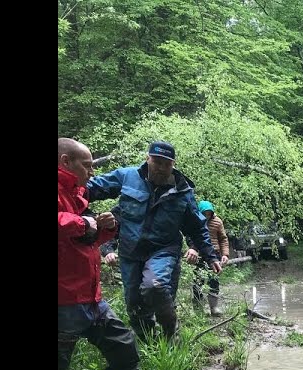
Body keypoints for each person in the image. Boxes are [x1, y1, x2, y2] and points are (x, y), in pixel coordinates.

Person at [58, 138, 184, 370]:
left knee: (123, 345)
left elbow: (82, 241)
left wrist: (104, 230)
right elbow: (70, 225)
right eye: (87, 165)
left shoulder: (77, 194)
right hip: (63, 300)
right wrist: (84, 223)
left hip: (89, 297)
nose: (92, 173)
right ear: (66, 162)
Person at [88, 140, 221, 340]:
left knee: (154, 286)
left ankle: (170, 332)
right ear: (147, 159)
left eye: (167, 164)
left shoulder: (182, 191)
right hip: (130, 251)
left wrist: (211, 256)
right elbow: (89, 189)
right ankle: (149, 342)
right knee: (134, 303)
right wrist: (89, 215)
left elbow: (196, 226)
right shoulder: (127, 177)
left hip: (164, 249)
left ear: (173, 165)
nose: (161, 168)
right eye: (157, 161)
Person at [191, 200, 229, 315]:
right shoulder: (195, 221)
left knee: (214, 280)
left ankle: (214, 307)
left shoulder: (217, 222)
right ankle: (198, 308)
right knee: (198, 281)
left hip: (215, 254)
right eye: (204, 213)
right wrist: (193, 249)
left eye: (209, 213)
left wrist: (225, 254)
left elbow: (223, 239)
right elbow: (191, 237)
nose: (207, 215)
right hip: (200, 254)